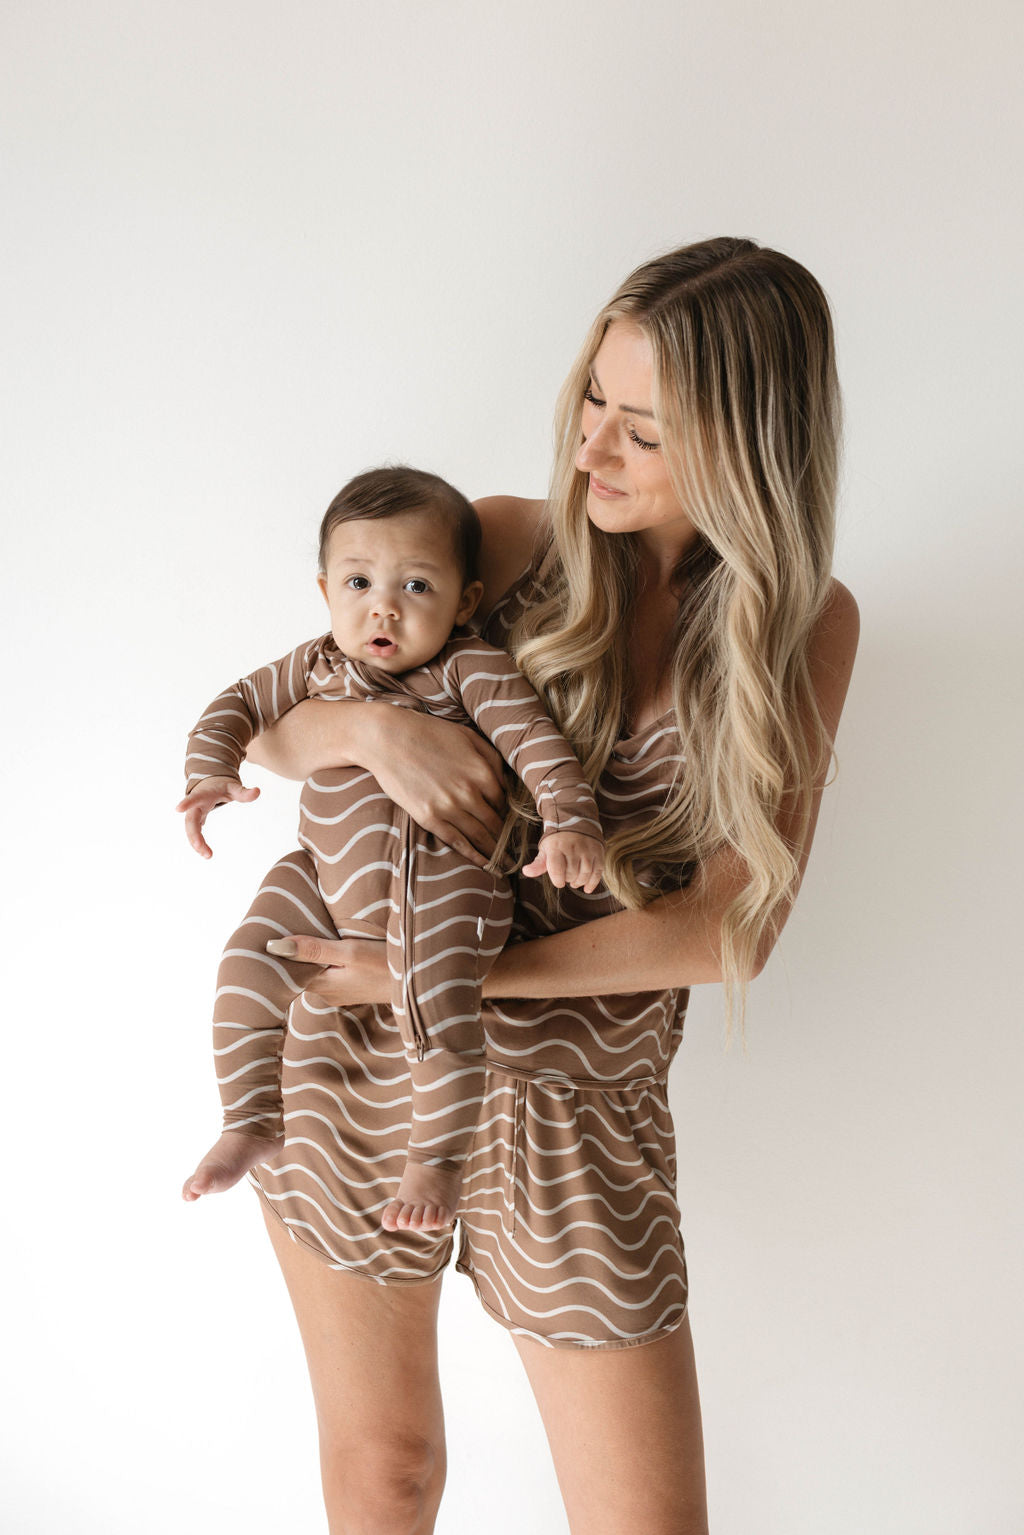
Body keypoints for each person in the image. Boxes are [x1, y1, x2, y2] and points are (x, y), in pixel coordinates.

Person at [228, 238, 859, 1534]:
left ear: (748, 442)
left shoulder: (806, 625)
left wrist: (456, 972)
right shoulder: (505, 542)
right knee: (385, 1466)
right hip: (359, 1055)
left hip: (577, 1111)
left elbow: (732, 926)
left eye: (644, 427)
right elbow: (270, 737)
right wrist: (371, 731)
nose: (593, 449)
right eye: (592, 399)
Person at [179, 467, 604, 1231]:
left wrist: (570, 821)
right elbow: (236, 705)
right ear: (325, 592)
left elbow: (540, 748)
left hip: (450, 880)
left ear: (464, 601)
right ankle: (250, 1116)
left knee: (437, 999)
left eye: (415, 586)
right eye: (359, 581)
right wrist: (210, 771)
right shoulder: (316, 665)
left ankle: (435, 1162)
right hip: (322, 876)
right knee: (247, 958)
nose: (383, 605)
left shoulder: (469, 668)